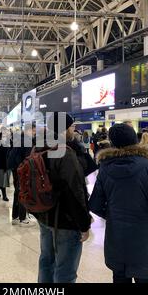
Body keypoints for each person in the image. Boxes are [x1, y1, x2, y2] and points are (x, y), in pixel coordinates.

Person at [89, 123, 148, 283]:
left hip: (117, 239)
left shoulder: (105, 169)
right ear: (135, 141)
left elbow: (95, 204)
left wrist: (113, 215)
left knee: (120, 277)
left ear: (112, 142)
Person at [36, 113, 92, 283]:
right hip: (65, 219)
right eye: (72, 127)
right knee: (65, 271)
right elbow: (75, 191)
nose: (74, 130)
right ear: (64, 128)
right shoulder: (65, 152)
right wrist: (84, 224)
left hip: (44, 214)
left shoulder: (39, 146)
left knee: (46, 260)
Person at [7, 124, 35, 226]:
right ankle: (22, 218)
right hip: (22, 170)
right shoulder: (27, 141)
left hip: (16, 169)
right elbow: (27, 159)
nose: (34, 133)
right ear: (29, 130)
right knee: (23, 192)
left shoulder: (20, 139)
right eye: (34, 131)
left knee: (17, 192)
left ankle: (15, 216)